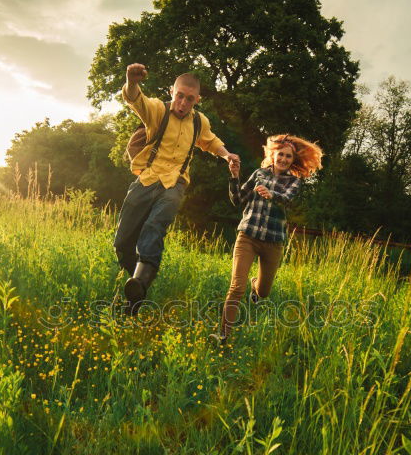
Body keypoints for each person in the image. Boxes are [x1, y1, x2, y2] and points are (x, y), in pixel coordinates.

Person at [115, 63, 240, 311]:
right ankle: (137, 287)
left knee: (155, 226)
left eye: (190, 99)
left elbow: (211, 142)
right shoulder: (157, 111)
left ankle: (139, 282)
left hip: (175, 183)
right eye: (180, 95)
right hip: (147, 179)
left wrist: (226, 155)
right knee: (122, 242)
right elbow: (135, 99)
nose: (183, 102)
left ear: (197, 100)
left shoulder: (199, 122)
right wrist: (131, 81)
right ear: (173, 92)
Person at [210, 134, 323, 344]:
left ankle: (256, 286)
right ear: (273, 155)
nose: (284, 159)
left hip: (273, 241)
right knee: (236, 288)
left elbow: (288, 200)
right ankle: (223, 335)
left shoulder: (294, 182)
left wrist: (272, 194)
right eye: (281, 154)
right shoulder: (258, 174)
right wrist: (234, 176)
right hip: (248, 236)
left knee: (263, 292)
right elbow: (238, 200)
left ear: (292, 160)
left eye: (288, 156)